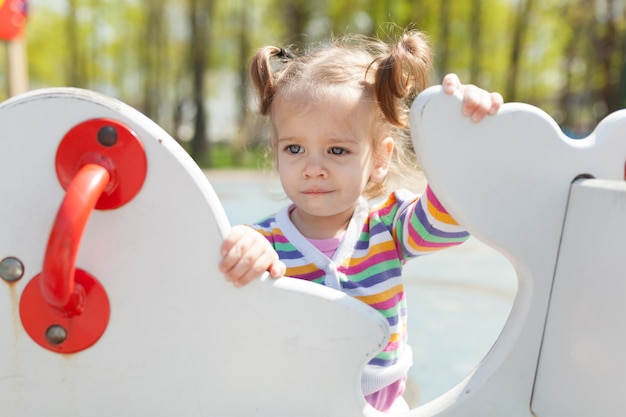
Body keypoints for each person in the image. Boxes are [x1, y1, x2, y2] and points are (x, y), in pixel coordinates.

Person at [219, 29, 503, 413]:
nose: (312, 168)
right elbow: (226, 296)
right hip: (293, 404)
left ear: (380, 158)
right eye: (295, 148)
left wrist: (462, 139)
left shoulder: (387, 227)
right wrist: (242, 247)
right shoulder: (266, 242)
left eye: (337, 150)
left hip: (380, 406)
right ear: (276, 150)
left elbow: (449, 222)